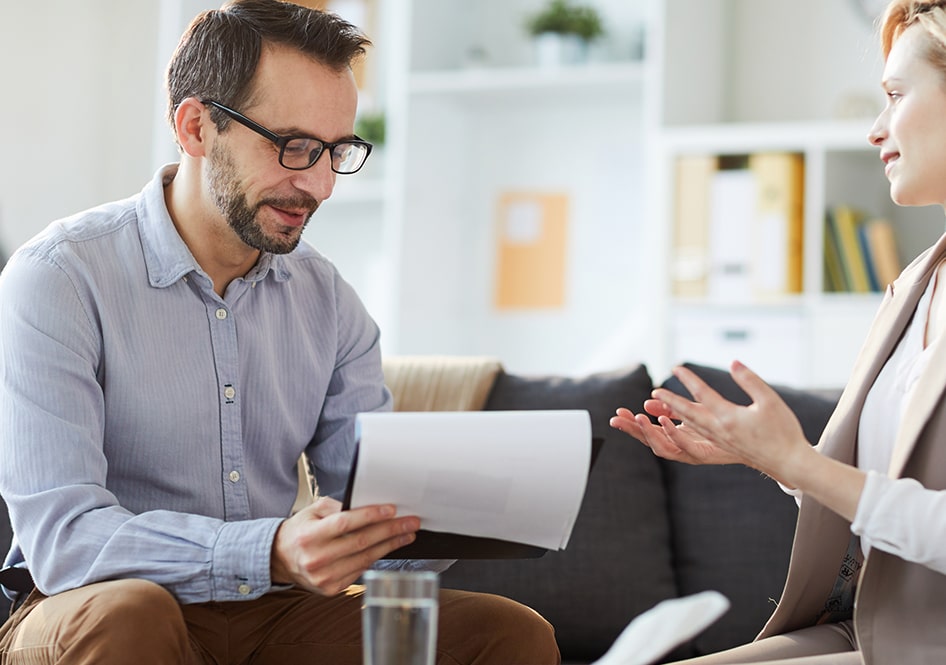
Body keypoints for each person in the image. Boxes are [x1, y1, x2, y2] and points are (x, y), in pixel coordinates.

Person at [0, 2, 560, 663]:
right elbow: (66, 542)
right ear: (196, 126)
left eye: (336, 150)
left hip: (268, 609)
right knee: (134, 609)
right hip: (89, 603)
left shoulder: (327, 299)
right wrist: (269, 550)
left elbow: (367, 501)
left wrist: (432, 515)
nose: (319, 184)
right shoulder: (59, 276)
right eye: (293, 146)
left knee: (508, 631)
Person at [610, 1, 946, 663]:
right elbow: (866, 482)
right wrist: (766, 453)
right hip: (873, 625)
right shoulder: (915, 284)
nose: (877, 130)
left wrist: (799, 461)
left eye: (896, 95)